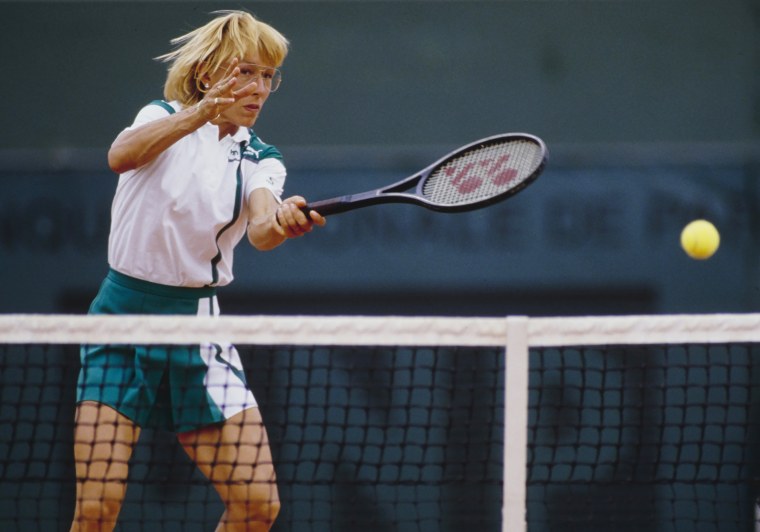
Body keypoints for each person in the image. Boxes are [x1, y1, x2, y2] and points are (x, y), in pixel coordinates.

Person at [70, 10, 324, 531]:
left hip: (199, 332)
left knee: (258, 506)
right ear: (209, 74)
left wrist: (284, 222)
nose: (259, 88)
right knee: (96, 512)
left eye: (268, 76)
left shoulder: (261, 159)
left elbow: (260, 230)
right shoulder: (159, 116)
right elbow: (121, 155)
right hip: (119, 323)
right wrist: (201, 114)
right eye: (246, 72)